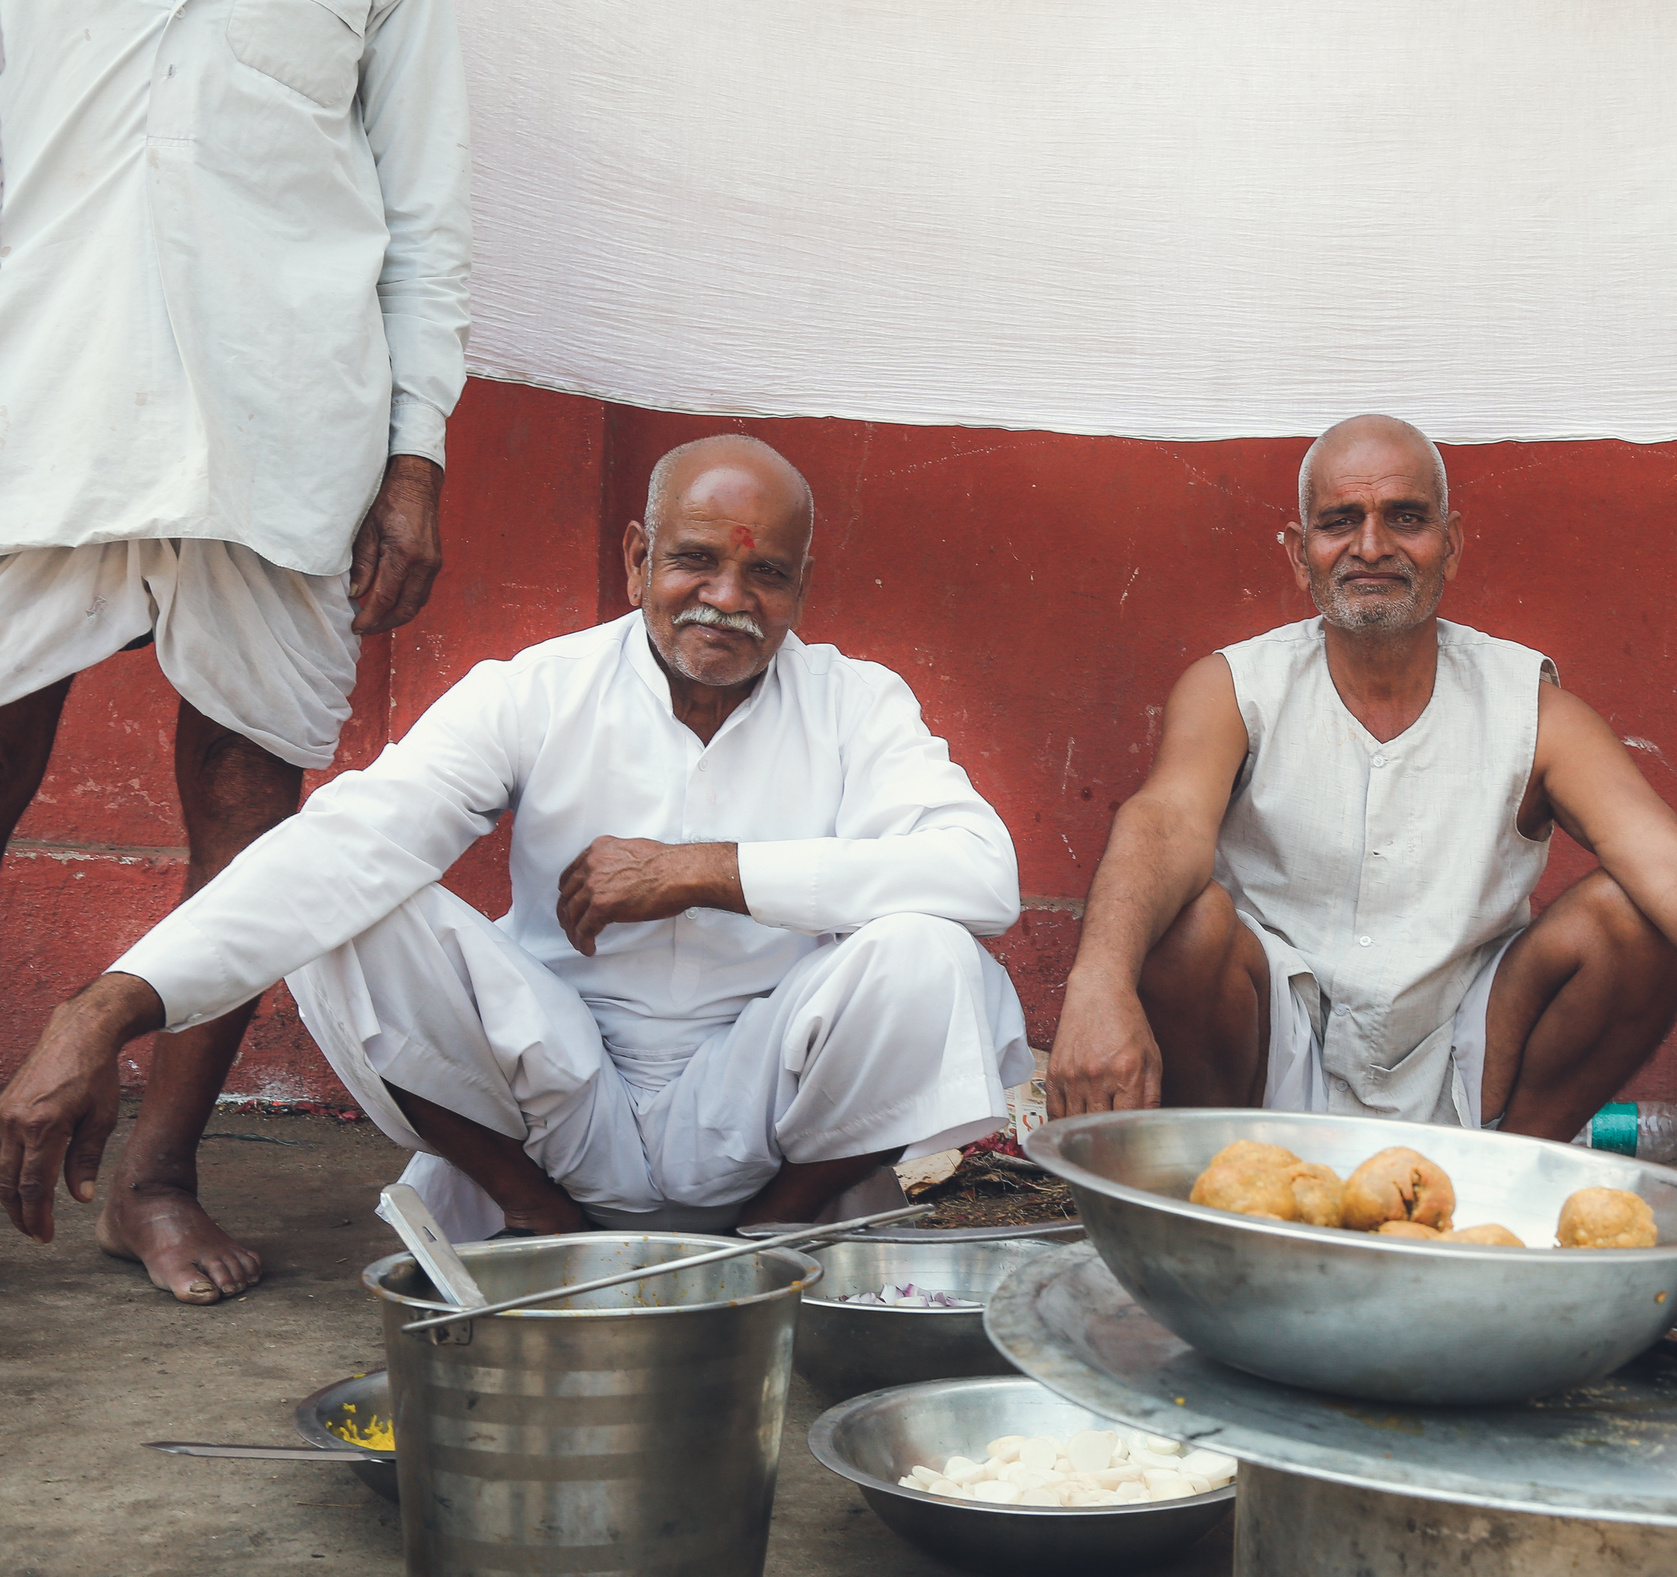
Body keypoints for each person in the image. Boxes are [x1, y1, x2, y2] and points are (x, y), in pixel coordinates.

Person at [0, 438, 1031, 1245]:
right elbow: (345, 846)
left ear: (802, 585)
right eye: (695, 560)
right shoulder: (536, 690)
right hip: (559, 1100)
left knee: (931, 950)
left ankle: (775, 1233)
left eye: (765, 572)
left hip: (768, 1106)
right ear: (637, 558)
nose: (728, 598)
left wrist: (709, 873)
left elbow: (982, 875)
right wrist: (103, 1011)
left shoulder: (857, 703)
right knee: (351, 905)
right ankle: (535, 1220)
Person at [1046, 414, 1677, 1200]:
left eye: (1406, 518)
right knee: (1184, 927)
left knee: (1635, 918)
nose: (1372, 546)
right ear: (1297, 550)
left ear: (1451, 544)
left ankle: (1498, 1189)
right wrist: (1096, 983)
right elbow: (1163, 822)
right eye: (1340, 520)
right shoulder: (1237, 686)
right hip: (1273, 1051)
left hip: (1465, 1053)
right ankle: (1233, 1187)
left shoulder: (1524, 703)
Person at [0, 2, 472, 1298]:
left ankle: (154, 1179)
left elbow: (426, 214)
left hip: (281, 416)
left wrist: (415, 457)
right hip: (42, 386)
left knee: (249, 808)